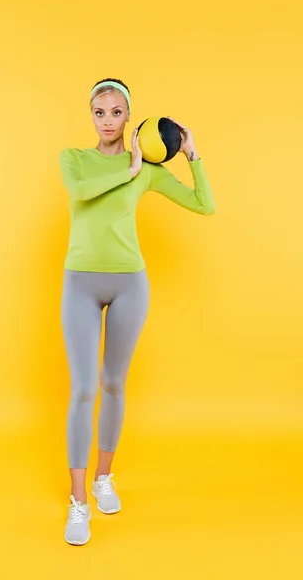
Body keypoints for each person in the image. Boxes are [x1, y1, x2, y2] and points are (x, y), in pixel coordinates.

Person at [58, 78, 216, 545]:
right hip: (80, 282)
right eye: (99, 112)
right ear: (92, 116)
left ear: (130, 118)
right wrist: (126, 172)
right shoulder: (74, 159)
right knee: (85, 388)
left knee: (113, 383)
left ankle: (105, 478)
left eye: (115, 112)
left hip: (130, 283)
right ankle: (79, 501)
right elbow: (82, 193)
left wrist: (191, 153)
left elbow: (204, 205)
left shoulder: (147, 168)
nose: (107, 121)